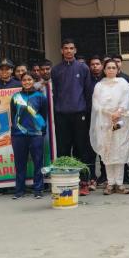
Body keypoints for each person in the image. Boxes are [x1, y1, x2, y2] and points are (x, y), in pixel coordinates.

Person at [52, 39, 96, 192]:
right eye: (66, 48)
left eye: (71, 48)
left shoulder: (83, 68)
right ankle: (64, 182)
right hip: (62, 115)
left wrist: (88, 114)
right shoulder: (56, 70)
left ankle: (84, 183)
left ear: (75, 50)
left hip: (80, 115)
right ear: (61, 51)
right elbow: (55, 93)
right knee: (63, 149)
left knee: (81, 149)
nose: (69, 51)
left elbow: (88, 92)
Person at [90, 60, 129, 195]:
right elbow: (96, 104)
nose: (111, 70)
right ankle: (110, 183)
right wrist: (109, 113)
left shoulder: (123, 84)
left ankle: (120, 183)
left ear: (118, 70)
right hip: (105, 122)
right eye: (108, 67)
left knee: (120, 151)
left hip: (121, 121)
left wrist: (118, 112)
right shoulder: (99, 86)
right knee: (107, 152)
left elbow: (127, 99)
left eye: (114, 67)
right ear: (104, 70)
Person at [9, 73, 48, 199]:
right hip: (18, 135)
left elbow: (43, 115)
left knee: (38, 162)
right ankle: (19, 191)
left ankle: (38, 190)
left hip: (36, 134)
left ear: (33, 81)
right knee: (20, 163)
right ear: (21, 82)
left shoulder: (40, 96)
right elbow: (13, 115)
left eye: (29, 79)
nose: (26, 82)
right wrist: (15, 131)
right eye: (24, 80)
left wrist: (42, 131)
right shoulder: (15, 97)